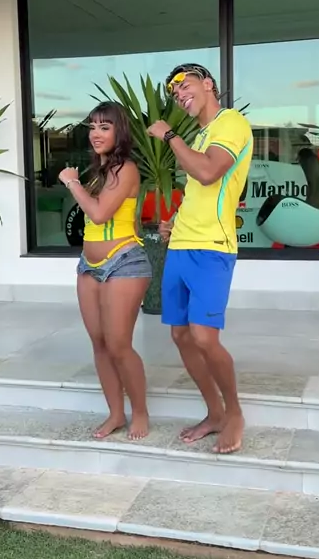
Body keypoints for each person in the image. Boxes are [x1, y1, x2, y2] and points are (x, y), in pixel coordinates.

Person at [147, 64, 253, 454]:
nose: (178, 94)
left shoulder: (231, 123)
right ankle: (214, 413)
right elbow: (198, 191)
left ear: (208, 84)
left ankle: (235, 413)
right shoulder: (199, 135)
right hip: (181, 244)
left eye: (184, 84)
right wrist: (173, 221)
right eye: (173, 92)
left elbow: (209, 172)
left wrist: (168, 135)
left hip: (212, 246)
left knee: (205, 337)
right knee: (180, 335)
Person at [59, 102, 151, 441]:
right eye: (93, 127)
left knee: (118, 344)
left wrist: (72, 183)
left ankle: (139, 411)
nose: (96, 134)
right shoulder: (98, 170)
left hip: (123, 261)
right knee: (99, 343)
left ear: (119, 132)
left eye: (105, 127)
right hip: (89, 265)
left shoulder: (125, 168)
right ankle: (115, 413)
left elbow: (99, 214)